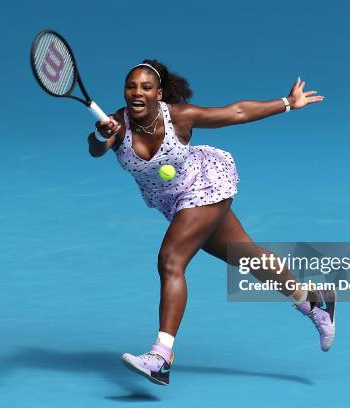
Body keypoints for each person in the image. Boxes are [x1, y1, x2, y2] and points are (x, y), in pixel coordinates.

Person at [87, 60, 334, 386]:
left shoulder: (178, 116)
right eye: (131, 86)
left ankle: (161, 356)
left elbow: (236, 113)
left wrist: (288, 103)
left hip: (205, 186)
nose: (137, 92)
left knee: (171, 261)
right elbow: (95, 149)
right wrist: (98, 134)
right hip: (175, 204)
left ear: (158, 93)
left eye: (146, 87)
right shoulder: (117, 124)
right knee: (247, 257)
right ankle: (314, 302)